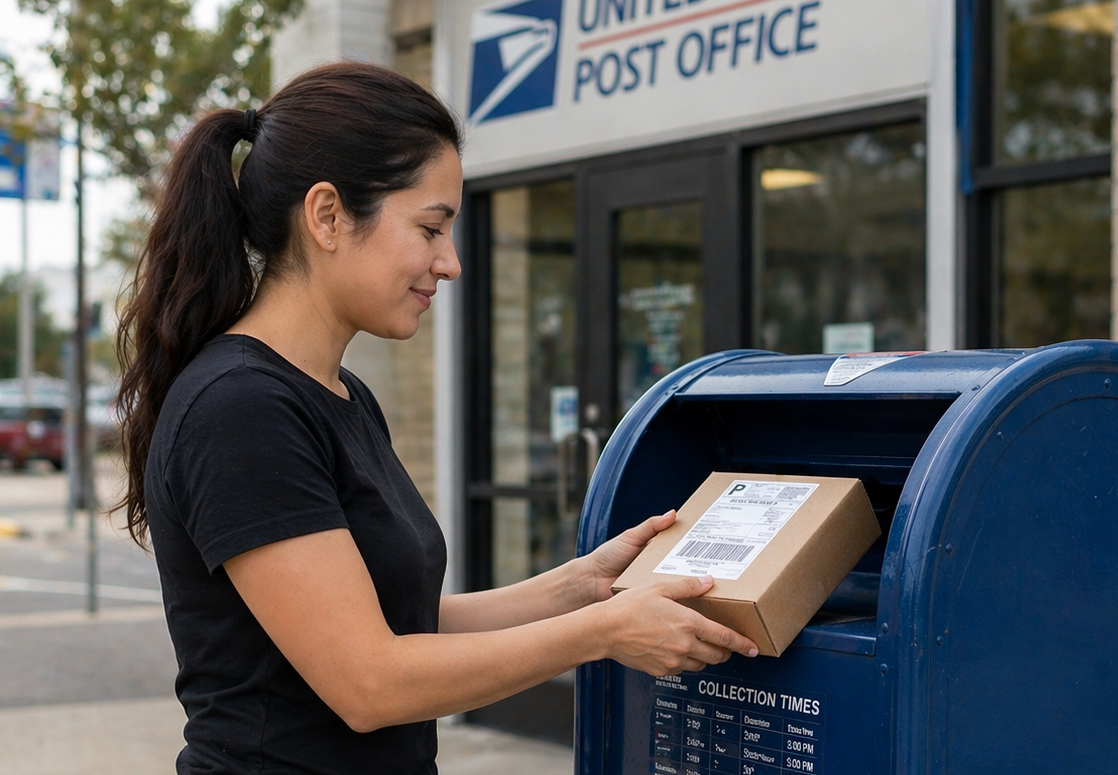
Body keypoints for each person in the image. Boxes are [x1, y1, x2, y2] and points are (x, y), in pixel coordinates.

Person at [115, 61, 757, 775]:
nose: (449, 263)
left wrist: (579, 587)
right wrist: (602, 632)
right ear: (327, 215)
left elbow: (403, 621)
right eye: (430, 227)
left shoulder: (342, 396)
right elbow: (369, 680)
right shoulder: (240, 408)